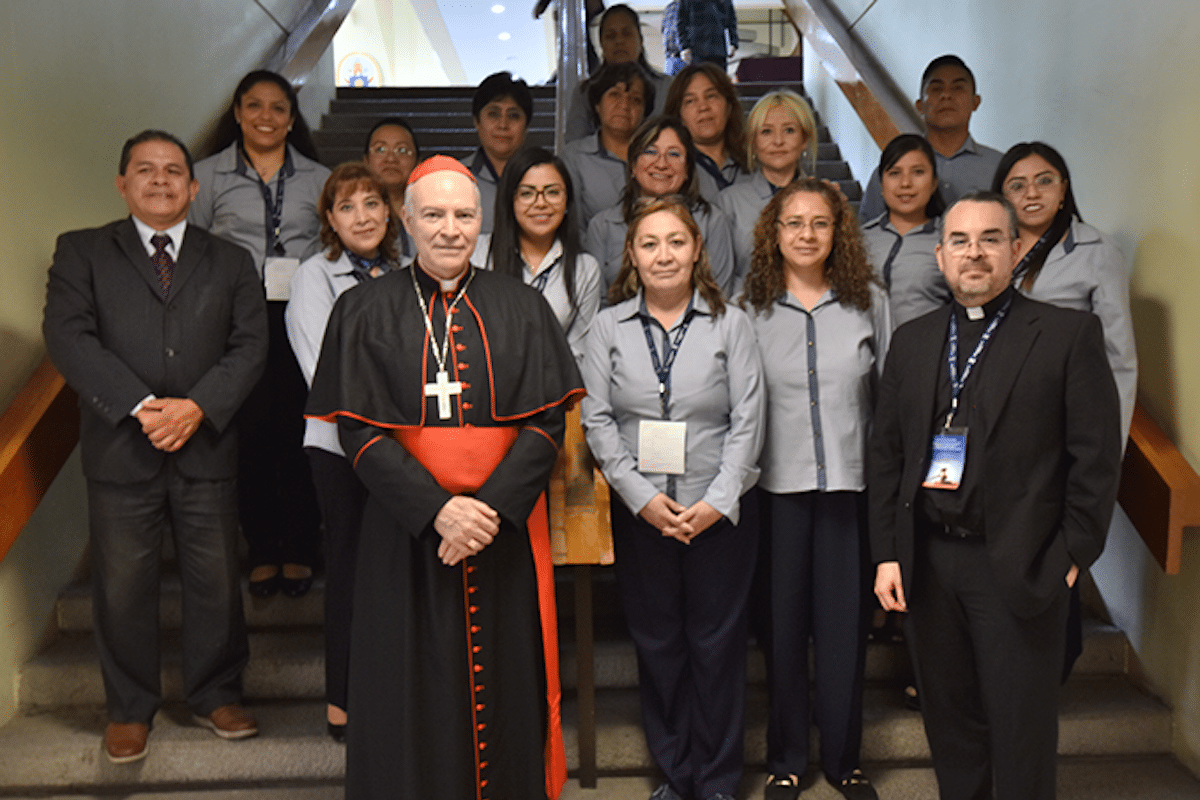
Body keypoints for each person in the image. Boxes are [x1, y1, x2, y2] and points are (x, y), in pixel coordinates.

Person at [305, 156, 583, 799]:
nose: (449, 229)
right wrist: (437, 510)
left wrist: (486, 510)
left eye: (463, 214)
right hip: (404, 534)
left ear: (482, 221)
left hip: (500, 533)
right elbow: (359, 430)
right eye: (433, 214)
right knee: (406, 686)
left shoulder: (523, 307)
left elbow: (547, 424)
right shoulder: (362, 308)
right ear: (407, 219)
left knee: (505, 685)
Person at [870, 191, 1123, 800]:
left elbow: (1096, 458)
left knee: (1021, 732)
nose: (973, 253)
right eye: (959, 241)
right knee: (951, 725)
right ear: (940, 256)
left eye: (989, 239)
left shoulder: (1066, 335)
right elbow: (887, 456)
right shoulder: (913, 340)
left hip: (1021, 562)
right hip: (930, 563)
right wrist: (886, 553)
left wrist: (1071, 554)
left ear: (1015, 249)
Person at [43, 130, 268, 763]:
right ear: (123, 184)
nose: (161, 180)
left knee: (216, 579)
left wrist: (197, 407)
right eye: (146, 170)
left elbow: (250, 346)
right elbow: (68, 336)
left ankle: (216, 692)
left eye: (174, 171)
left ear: (194, 187)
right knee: (120, 586)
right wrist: (144, 408)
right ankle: (129, 708)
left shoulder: (229, 259)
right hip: (122, 449)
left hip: (206, 447)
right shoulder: (82, 251)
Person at [581, 196, 765, 800]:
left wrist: (717, 500)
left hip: (720, 513)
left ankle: (716, 780)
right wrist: (638, 497)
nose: (664, 255)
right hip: (643, 515)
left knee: (716, 646)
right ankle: (675, 772)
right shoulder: (607, 326)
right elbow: (597, 419)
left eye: (676, 242)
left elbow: (748, 420)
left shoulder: (730, 322)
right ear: (631, 255)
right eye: (650, 244)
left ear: (697, 250)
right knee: (658, 643)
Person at [740, 178, 887, 800]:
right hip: (775, 494)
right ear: (774, 235)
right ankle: (788, 757)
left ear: (838, 233)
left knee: (843, 630)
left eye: (819, 223)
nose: (806, 234)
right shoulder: (750, 311)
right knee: (781, 629)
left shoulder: (868, 303)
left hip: (849, 493)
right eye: (793, 223)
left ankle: (845, 757)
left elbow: (891, 401)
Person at [190, 69, 330, 598]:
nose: (266, 117)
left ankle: (299, 545)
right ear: (237, 113)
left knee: (300, 430)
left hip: (301, 315)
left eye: (278, 108)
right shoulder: (206, 177)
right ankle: (263, 546)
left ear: (292, 118)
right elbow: (194, 250)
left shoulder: (319, 179)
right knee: (250, 435)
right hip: (236, 321)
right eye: (255, 106)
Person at [285, 163, 402, 743]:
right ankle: (344, 703)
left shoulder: (410, 271)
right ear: (330, 219)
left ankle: (399, 693)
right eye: (348, 206)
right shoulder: (313, 277)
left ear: (390, 210)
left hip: (410, 451)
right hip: (340, 446)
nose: (363, 216)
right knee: (352, 571)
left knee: (401, 572)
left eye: (372, 203)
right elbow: (320, 368)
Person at [992, 141, 1137, 439]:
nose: (1032, 194)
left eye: (1044, 181)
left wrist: (1109, 450)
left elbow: (1118, 358)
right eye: (1017, 186)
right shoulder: (987, 250)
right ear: (1002, 199)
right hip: (993, 403)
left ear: (1063, 191)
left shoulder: (1098, 251)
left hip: (1060, 407)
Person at [585, 115, 735, 296]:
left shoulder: (712, 221)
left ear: (687, 169)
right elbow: (598, 303)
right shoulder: (602, 226)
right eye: (650, 152)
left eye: (674, 154)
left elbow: (718, 298)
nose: (662, 164)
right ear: (632, 165)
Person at [488, 147, 602, 360]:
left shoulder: (584, 269)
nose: (541, 203)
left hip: (552, 389)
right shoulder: (477, 255)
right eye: (527, 193)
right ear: (510, 201)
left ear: (567, 201)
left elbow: (577, 355)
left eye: (552, 192)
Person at [858, 55, 1003, 222]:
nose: (946, 95)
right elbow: (868, 235)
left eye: (957, 88)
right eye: (936, 89)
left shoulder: (999, 167)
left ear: (975, 102)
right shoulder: (891, 172)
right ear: (919, 105)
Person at [719, 89, 817, 288]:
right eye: (766, 131)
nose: (778, 141)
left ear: (804, 139)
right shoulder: (729, 202)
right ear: (753, 143)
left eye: (789, 130)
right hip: (748, 311)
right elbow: (720, 278)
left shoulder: (823, 199)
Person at [861, 134, 950, 327]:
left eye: (918, 172)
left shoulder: (949, 241)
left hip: (926, 353)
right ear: (881, 185)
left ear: (934, 182)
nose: (905, 183)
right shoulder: (860, 239)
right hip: (865, 352)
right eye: (894, 173)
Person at [560, 61, 655, 233]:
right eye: (614, 95)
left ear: (644, 114)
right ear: (597, 105)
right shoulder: (574, 157)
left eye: (635, 99)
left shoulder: (659, 158)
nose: (624, 105)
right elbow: (573, 229)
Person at [565, 4, 672, 142]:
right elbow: (573, 144)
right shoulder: (584, 92)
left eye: (627, 33)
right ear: (602, 44)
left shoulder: (669, 87)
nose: (619, 41)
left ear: (640, 40)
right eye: (611, 36)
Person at [665, 63, 750, 204]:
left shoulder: (755, 166)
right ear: (679, 115)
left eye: (711, 96)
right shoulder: (670, 171)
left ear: (729, 106)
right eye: (690, 101)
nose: (703, 107)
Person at [461, 71, 532, 235]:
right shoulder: (455, 177)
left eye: (514, 116)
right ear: (477, 121)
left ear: (526, 126)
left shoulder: (543, 177)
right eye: (493, 114)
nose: (503, 125)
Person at [362, 117, 420, 259]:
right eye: (380, 149)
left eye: (402, 150)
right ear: (366, 161)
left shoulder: (433, 210)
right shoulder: (353, 213)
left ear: (418, 163)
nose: (391, 159)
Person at [678, 0, 738, 70]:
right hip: (696, 51)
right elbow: (681, 23)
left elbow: (731, 21)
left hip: (719, 51)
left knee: (718, 79)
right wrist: (684, 47)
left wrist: (733, 43)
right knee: (699, 77)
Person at [661, 0, 685, 75]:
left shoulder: (690, 6)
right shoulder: (669, 7)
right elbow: (663, 29)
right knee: (668, 85)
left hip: (684, 57)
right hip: (670, 58)